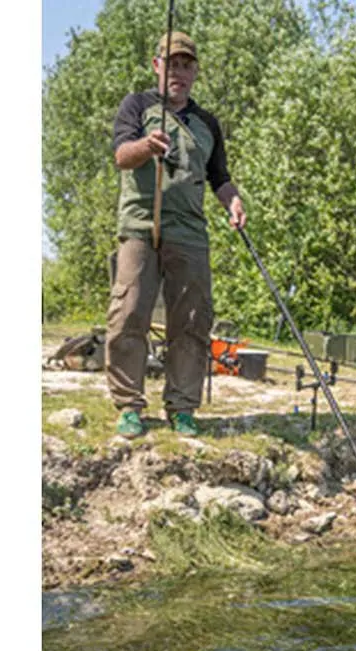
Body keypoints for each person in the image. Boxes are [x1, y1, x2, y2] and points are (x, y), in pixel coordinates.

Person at [106, 30, 247, 439]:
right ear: (157, 66)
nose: (178, 73)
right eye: (171, 64)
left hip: (189, 232)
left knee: (192, 321)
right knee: (129, 313)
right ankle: (129, 405)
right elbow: (122, 156)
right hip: (140, 226)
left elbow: (220, 177)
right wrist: (147, 146)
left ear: (195, 72)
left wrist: (233, 202)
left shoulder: (207, 123)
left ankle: (182, 407)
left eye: (186, 65)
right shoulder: (137, 106)